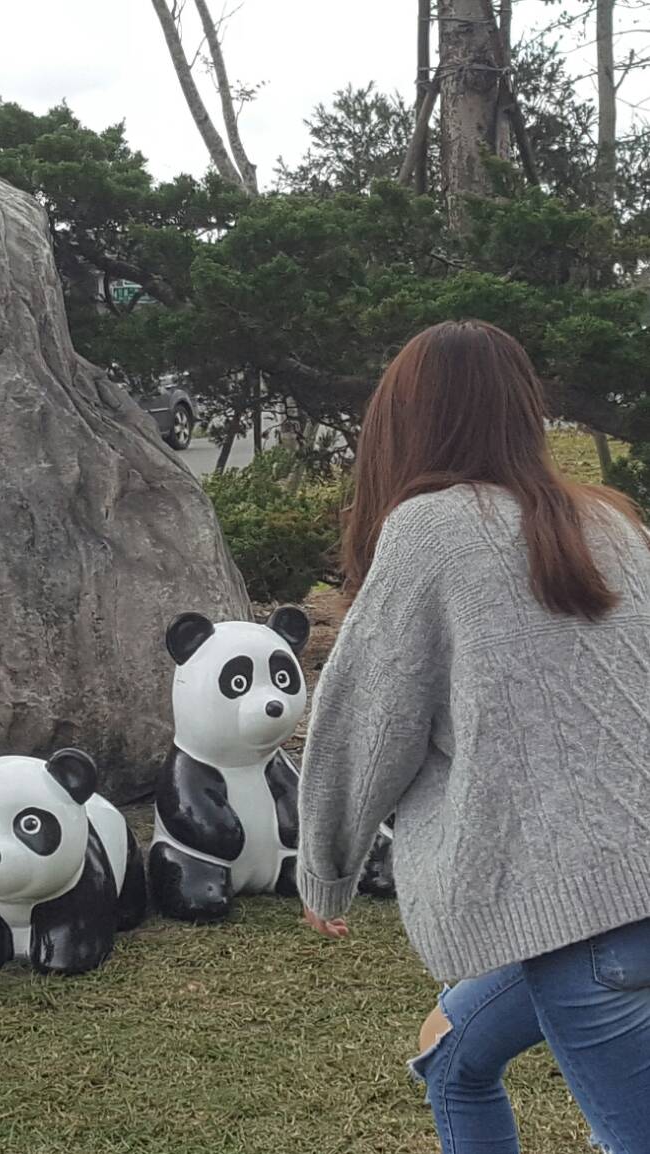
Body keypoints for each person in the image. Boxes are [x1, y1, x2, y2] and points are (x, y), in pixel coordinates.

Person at [294, 319, 650, 1153]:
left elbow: (365, 722)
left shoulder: (430, 531)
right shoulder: (614, 524)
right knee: (449, 1055)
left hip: (587, 923)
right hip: (591, 908)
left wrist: (324, 869)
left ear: (402, 422)